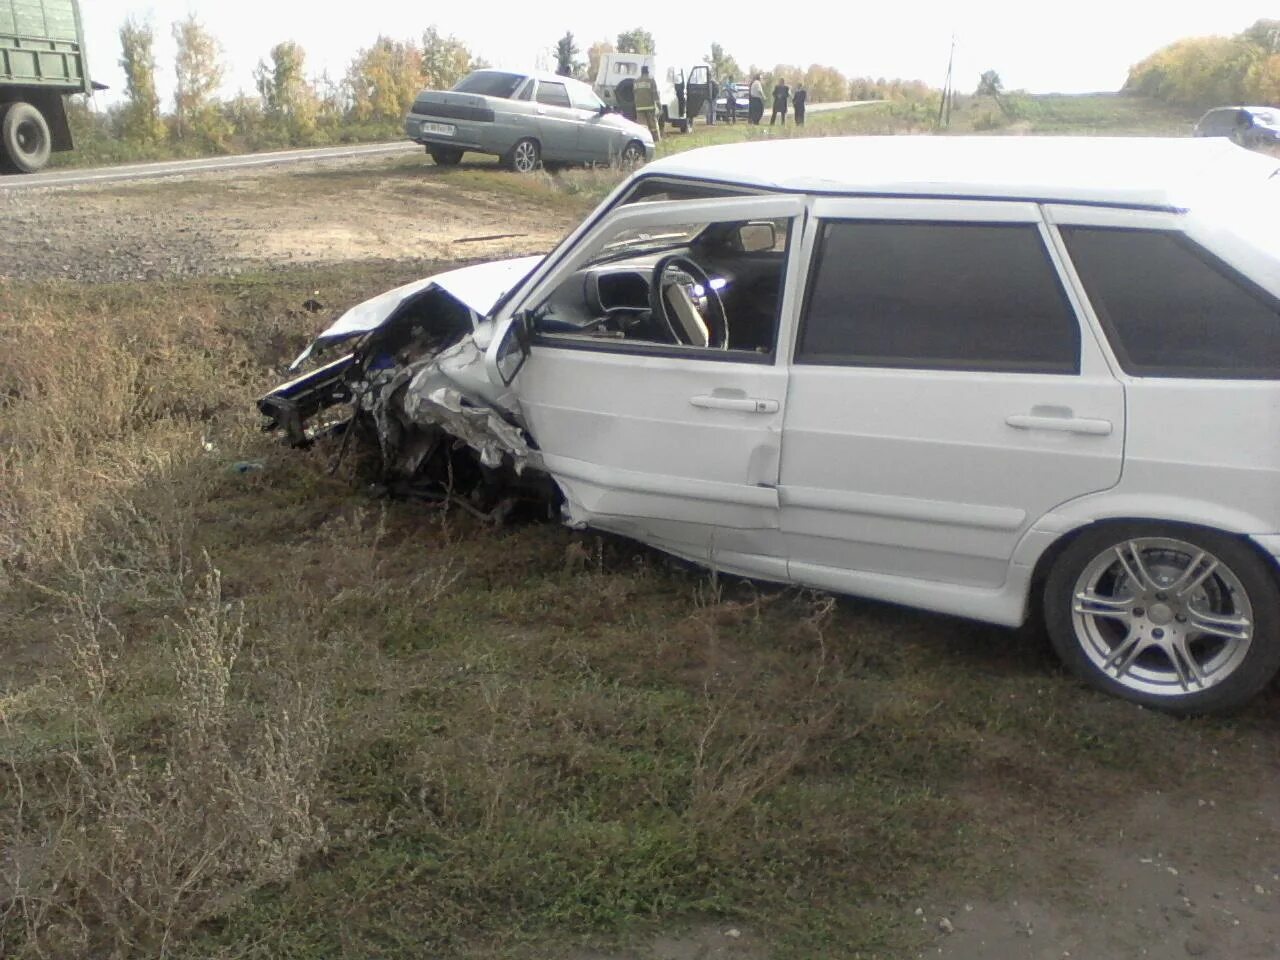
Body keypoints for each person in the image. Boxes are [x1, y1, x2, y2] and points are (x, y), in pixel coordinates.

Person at [633, 65, 661, 143]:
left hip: (639, 108)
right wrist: (660, 107)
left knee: (642, 127)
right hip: (650, 107)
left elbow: (634, 93)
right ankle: (656, 141)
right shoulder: (651, 80)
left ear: (641, 72)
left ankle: (643, 141)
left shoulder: (636, 81)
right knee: (653, 127)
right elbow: (655, 95)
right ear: (648, 72)